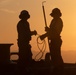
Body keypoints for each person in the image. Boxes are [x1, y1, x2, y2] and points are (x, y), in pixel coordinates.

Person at [40, 8, 64, 75]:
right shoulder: (53, 20)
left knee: (57, 55)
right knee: (54, 55)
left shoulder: (59, 21)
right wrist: (47, 31)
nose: (53, 16)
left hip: (56, 40)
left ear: (57, 14)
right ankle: (56, 69)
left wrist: (46, 34)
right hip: (53, 40)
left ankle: (60, 69)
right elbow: (51, 31)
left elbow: (55, 32)